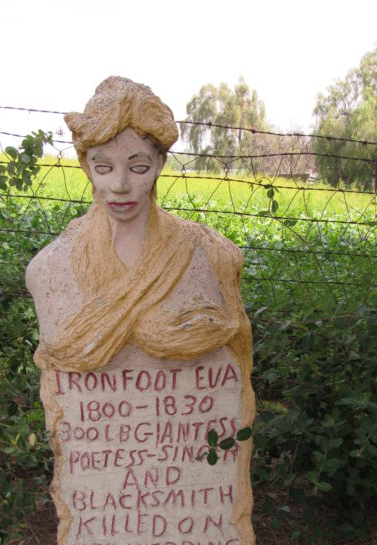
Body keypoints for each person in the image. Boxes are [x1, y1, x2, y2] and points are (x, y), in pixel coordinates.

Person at [26, 76, 254, 400]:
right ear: (86, 167)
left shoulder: (210, 256)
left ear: (160, 164)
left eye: (138, 167)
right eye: (104, 168)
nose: (120, 185)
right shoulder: (49, 270)